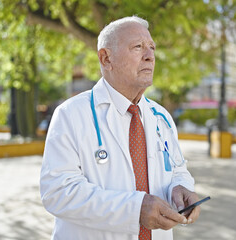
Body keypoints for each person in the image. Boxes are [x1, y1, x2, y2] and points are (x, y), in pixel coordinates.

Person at [40, 16, 200, 240]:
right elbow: (57, 192)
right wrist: (133, 210)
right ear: (106, 58)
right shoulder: (71, 115)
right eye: (138, 47)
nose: (150, 56)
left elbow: (178, 170)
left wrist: (180, 188)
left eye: (152, 47)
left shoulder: (161, 117)